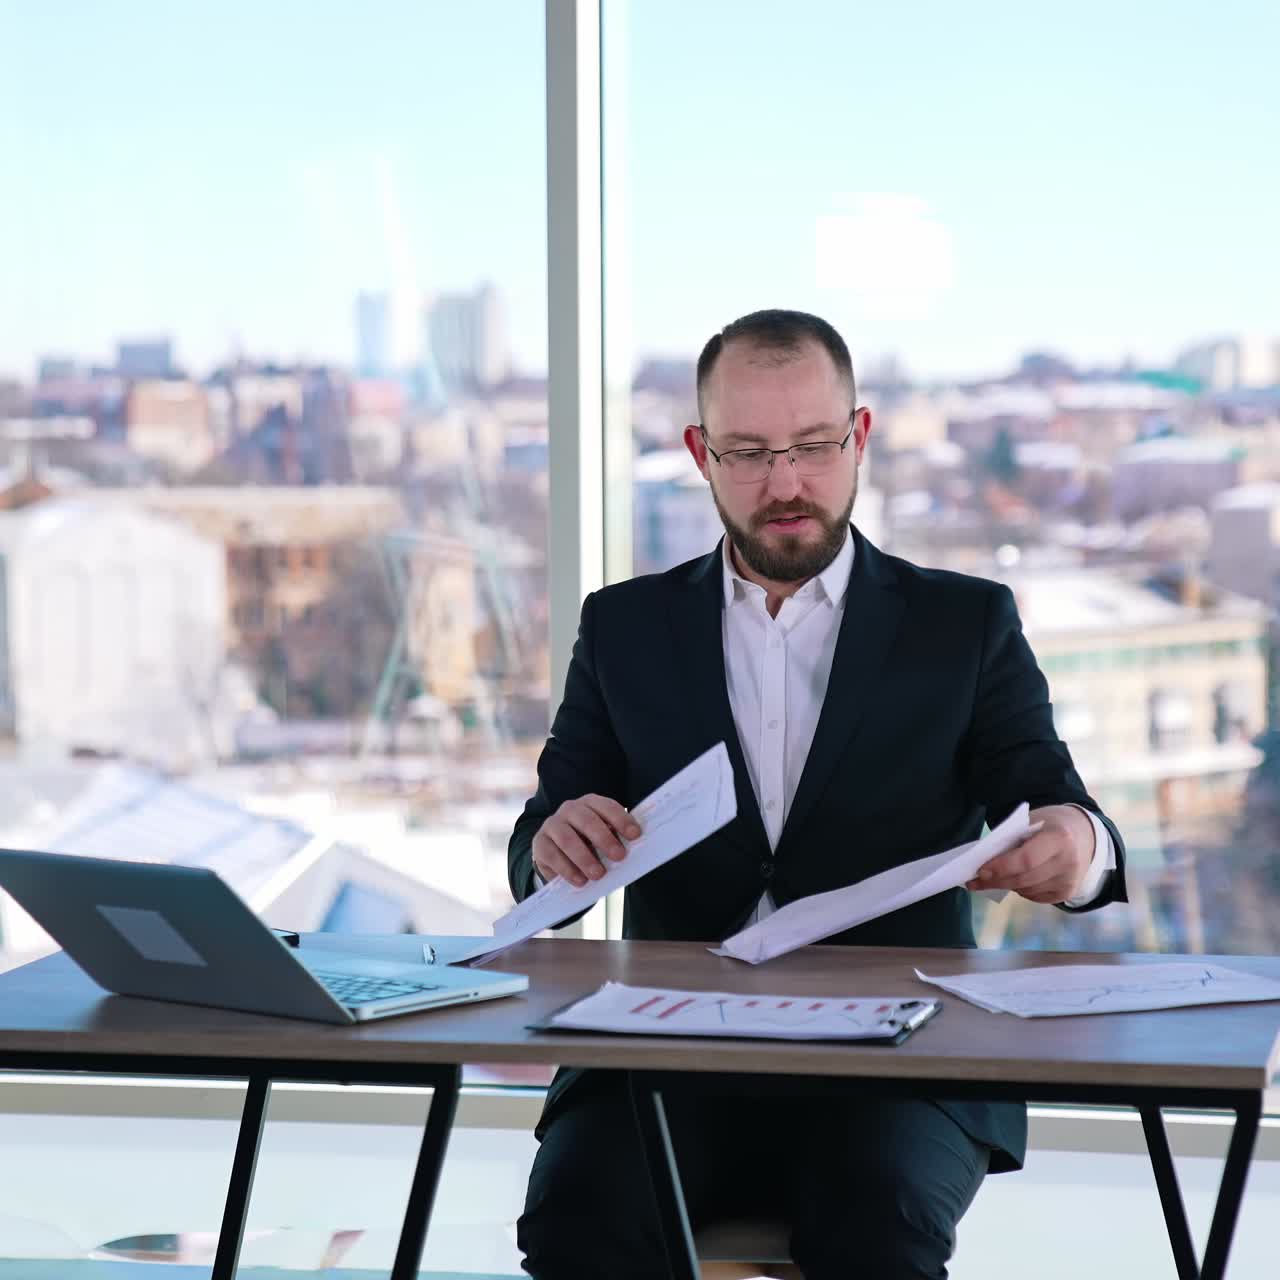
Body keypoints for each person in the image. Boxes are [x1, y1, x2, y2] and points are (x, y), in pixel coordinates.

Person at [509, 309, 1126, 1279]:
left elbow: (1055, 803)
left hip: (900, 1063)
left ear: (860, 438)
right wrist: (555, 842)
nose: (784, 483)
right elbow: (539, 842)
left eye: (810, 446)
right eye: (748, 453)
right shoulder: (623, 626)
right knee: (579, 1219)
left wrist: (1070, 847)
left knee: (874, 1227)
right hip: (667, 1054)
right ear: (698, 453)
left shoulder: (961, 623)